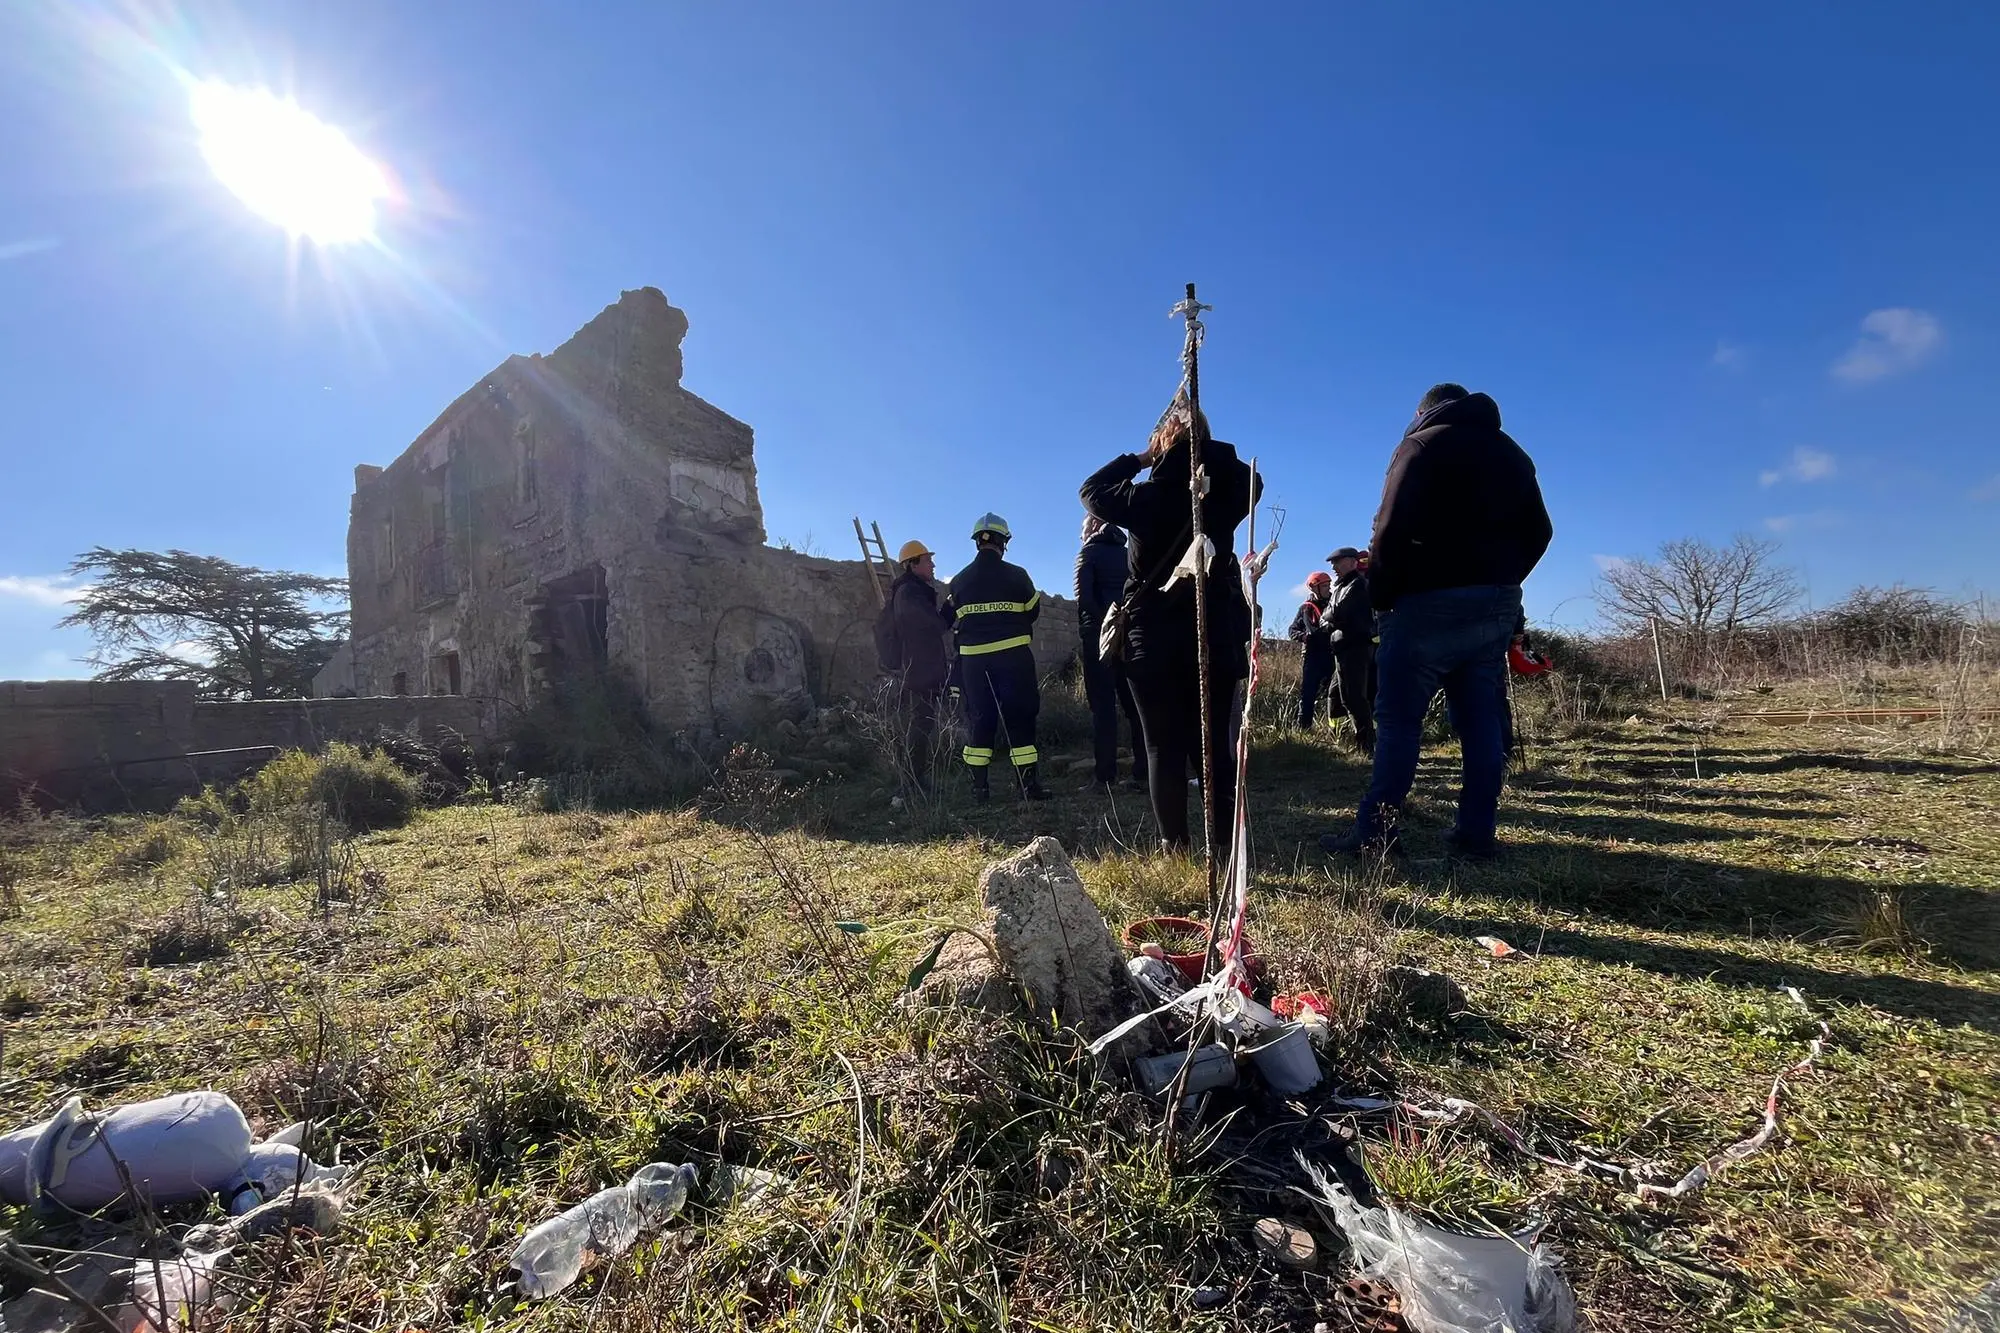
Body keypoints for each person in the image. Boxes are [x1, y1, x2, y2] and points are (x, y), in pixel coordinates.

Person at [1320, 384, 1552, 860]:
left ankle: (1377, 834)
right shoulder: (1512, 453)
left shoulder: (1421, 445)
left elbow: (1389, 528)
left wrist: (1383, 596)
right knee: (1480, 719)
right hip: (1493, 604)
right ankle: (1476, 834)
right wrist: (1503, 581)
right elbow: (1541, 530)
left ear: (1424, 410)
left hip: (1424, 603)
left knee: (1400, 722)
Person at [1081, 397, 1262, 856]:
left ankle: (1174, 845)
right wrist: (1206, 448)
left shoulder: (1144, 497)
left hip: (1152, 637)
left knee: (1161, 745)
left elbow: (1091, 489)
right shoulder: (1223, 495)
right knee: (1213, 743)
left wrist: (1143, 459)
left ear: (1162, 443)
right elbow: (1253, 482)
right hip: (1212, 628)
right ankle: (1220, 844)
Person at [947, 513, 1047, 802]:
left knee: (980, 719)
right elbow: (1033, 611)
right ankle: (1028, 787)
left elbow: (951, 616)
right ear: (1004, 542)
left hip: (974, 663)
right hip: (1013, 657)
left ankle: (980, 790)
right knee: (1021, 718)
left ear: (977, 541)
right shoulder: (1018, 575)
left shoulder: (959, 581)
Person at [1074, 516, 1146, 791]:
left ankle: (1105, 776)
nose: (1080, 534)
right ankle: (1142, 772)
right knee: (1135, 707)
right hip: (1131, 637)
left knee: (1102, 708)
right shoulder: (1128, 554)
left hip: (1100, 639)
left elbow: (1085, 601)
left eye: (1082, 528)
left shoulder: (1088, 554)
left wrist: (1100, 628)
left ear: (1092, 526)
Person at [881, 539, 953, 787]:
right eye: (927, 560)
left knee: (922, 722)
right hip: (919, 670)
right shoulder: (909, 593)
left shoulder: (911, 592)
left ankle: (914, 778)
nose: (933, 565)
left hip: (921, 668)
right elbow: (935, 626)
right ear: (912, 565)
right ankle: (913, 780)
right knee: (920, 724)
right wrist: (950, 609)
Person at [1324, 546, 1377, 754]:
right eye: (1333, 564)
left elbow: (1335, 613)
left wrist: (1330, 617)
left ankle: (1366, 746)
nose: (1334, 567)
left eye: (1338, 562)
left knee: (1354, 697)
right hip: (1341, 648)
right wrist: (1330, 617)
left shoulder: (1358, 585)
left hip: (1355, 648)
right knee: (1336, 695)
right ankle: (1341, 738)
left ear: (1353, 562)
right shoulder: (1340, 587)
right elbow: (1327, 614)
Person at [1288, 571, 1336, 728]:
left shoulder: (1334, 604)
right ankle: (1303, 726)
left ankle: (1334, 728)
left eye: (1329, 585)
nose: (1328, 589)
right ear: (1314, 588)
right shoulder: (1306, 608)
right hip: (1312, 656)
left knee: (1334, 693)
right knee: (1308, 693)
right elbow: (1292, 630)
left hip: (1332, 654)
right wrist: (1305, 637)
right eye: (1325, 586)